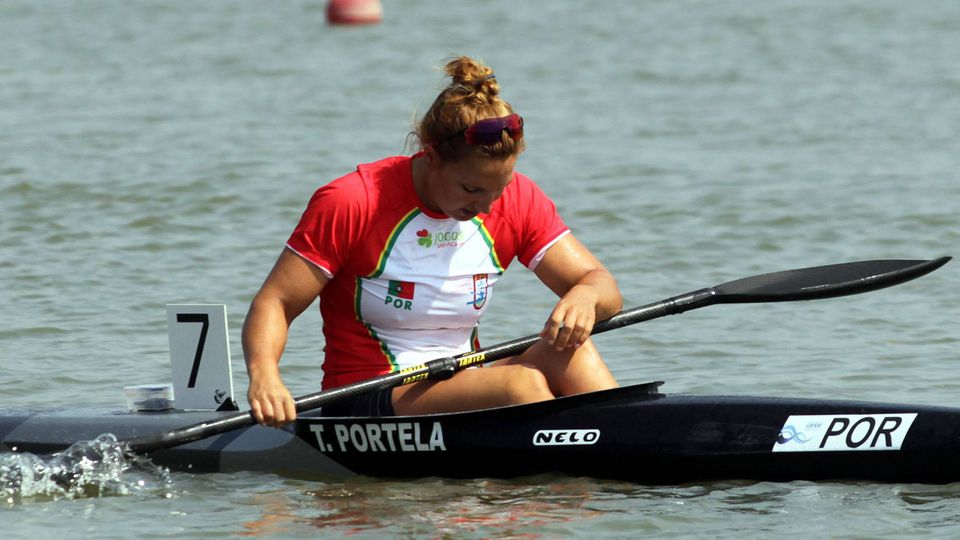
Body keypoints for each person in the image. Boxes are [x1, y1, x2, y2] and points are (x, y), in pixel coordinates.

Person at [242, 56, 622, 427]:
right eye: (472, 188)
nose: (488, 205)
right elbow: (275, 302)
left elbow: (600, 283)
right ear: (432, 155)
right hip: (366, 395)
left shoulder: (517, 198)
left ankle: (626, 444)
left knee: (569, 352)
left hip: (465, 382)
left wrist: (585, 296)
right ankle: (576, 470)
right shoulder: (353, 202)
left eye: (499, 188)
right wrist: (265, 377)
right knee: (521, 384)